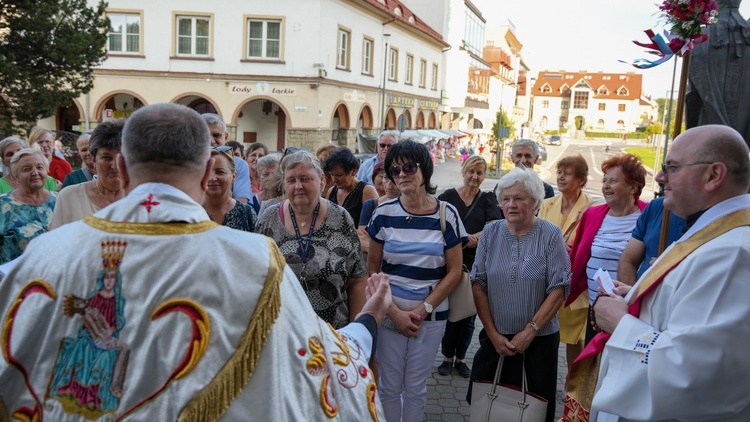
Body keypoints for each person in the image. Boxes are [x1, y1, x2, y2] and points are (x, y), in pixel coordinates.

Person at [0, 103, 388, 420]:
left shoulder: (46, 253)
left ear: (121, 168)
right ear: (207, 173)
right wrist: (368, 321)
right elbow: (319, 367)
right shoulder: (256, 264)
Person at [565, 125, 750, 421]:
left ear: (714, 175)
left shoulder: (734, 253)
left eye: (672, 168)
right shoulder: (715, 235)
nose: (661, 177)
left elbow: (696, 377)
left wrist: (621, 322)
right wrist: (640, 296)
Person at [366, 140, 467, 422]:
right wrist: (395, 314)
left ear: (426, 170)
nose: (401, 175)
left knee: (415, 386)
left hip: (431, 317)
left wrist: (423, 310)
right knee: (388, 384)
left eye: (408, 167)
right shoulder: (383, 214)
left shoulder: (447, 214)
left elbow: (455, 271)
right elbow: (373, 269)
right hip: (389, 314)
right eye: (394, 171)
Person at [467, 167, 570, 422]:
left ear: (535, 203)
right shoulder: (490, 232)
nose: (510, 205)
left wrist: (530, 331)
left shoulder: (550, 235)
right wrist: (492, 333)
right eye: (506, 199)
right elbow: (478, 283)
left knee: (533, 408)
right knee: (489, 404)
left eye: (519, 199)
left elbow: (559, 288)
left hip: (539, 341)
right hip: (496, 339)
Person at [256, 150, 368, 329]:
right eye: (291, 180)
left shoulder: (340, 218)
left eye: (305, 179)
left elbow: (357, 279)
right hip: (282, 333)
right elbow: (257, 277)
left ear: (322, 181)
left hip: (333, 334)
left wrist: (356, 333)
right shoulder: (269, 218)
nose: (298, 186)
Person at [566, 154, 647, 344]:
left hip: (631, 311)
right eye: (604, 181)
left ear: (633, 188)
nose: (606, 186)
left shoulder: (648, 215)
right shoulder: (593, 214)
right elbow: (578, 254)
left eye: (613, 181)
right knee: (593, 368)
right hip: (596, 309)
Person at [436, 156, 501, 378]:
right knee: (449, 311)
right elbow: (439, 224)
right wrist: (462, 240)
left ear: (484, 176)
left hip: (476, 263)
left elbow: (494, 227)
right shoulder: (447, 197)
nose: (475, 176)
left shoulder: (489, 199)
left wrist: (470, 239)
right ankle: (446, 357)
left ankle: (461, 358)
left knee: (469, 314)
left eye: (480, 172)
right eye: (471, 171)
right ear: (463, 171)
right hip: (449, 262)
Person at [538, 154, 596, 370]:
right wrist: (558, 244)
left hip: (575, 285)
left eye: (567, 174)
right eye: (559, 173)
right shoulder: (547, 204)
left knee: (574, 340)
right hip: (545, 281)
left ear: (581, 179)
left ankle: (572, 385)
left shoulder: (592, 209)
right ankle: (541, 380)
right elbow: (538, 237)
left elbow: (590, 244)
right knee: (542, 334)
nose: (561, 177)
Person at [50, 121, 125, 229]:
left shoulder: (145, 200)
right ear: (94, 161)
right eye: (106, 158)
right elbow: (57, 242)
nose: (115, 166)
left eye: (122, 157)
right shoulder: (69, 197)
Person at [0, 149, 57, 264]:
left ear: (47, 171)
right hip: (15, 278)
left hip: (56, 275)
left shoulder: (60, 200)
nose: (35, 172)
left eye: (39, 167)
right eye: (27, 169)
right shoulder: (3, 204)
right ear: (16, 176)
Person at [617, 196, 686, 285]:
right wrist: (631, 297)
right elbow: (628, 261)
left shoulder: (707, 222)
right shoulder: (656, 206)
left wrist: (672, 269)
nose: (660, 181)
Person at [201, 113, 252, 205]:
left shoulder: (240, 165)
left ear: (226, 137)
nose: (211, 141)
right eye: (205, 136)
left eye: (216, 135)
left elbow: (242, 202)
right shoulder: (188, 163)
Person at [203, 147, 257, 232]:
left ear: (234, 176)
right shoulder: (191, 211)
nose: (212, 178)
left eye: (220, 172)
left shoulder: (246, 213)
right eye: (207, 172)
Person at [325, 148, 378, 226]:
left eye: (339, 175)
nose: (334, 180)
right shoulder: (331, 191)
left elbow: (374, 225)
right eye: (332, 175)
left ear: (353, 172)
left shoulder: (367, 191)